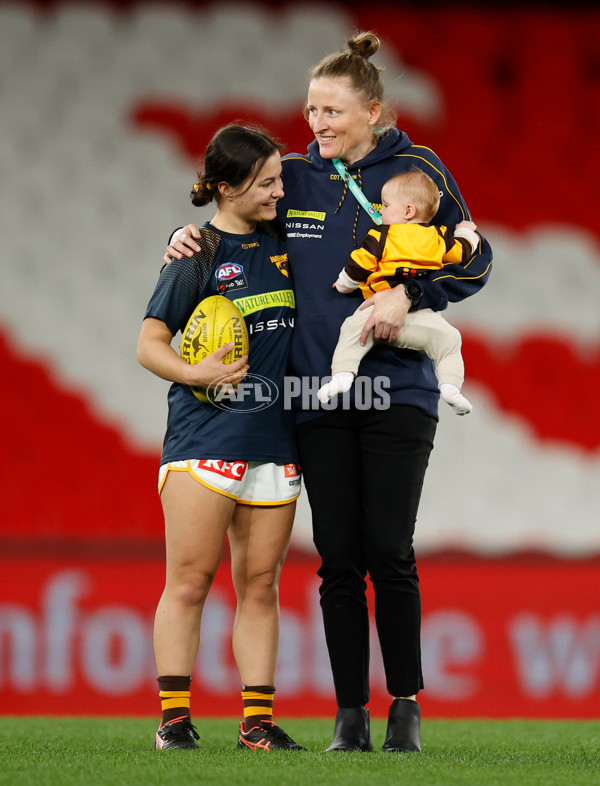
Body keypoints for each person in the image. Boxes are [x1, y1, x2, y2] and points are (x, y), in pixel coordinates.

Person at [164, 32, 492, 753]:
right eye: (311, 110)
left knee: (388, 549)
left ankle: (404, 703)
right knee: (337, 556)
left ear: (372, 110)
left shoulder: (417, 169)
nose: (317, 123)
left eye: (332, 111)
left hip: (398, 389)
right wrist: (186, 240)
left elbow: (474, 261)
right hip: (316, 393)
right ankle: (351, 713)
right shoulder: (298, 177)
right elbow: (239, 219)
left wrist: (411, 293)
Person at [138, 124, 305, 752]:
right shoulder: (196, 256)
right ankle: (174, 722)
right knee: (189, 582)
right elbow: (149, 343)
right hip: (203, 438)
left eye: (281, 180)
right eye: (266, 183)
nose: (279, 192)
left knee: (261, 586)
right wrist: (194, 372)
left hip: (276, 439)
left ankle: (256, 726)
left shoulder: (289, 242)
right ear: (228, 188)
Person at [317, 168, 479, 416]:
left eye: (385, 204)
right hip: (416, 314)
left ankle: (342, 377)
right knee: (449, 339)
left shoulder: (382, 235)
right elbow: (461, 252)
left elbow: (359, 264)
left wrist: (343, 283)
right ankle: (450, 387)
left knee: (350, 331)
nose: (381, 210)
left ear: (407, 211)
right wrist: (467, 232)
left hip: (375, 310)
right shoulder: (438, 236)